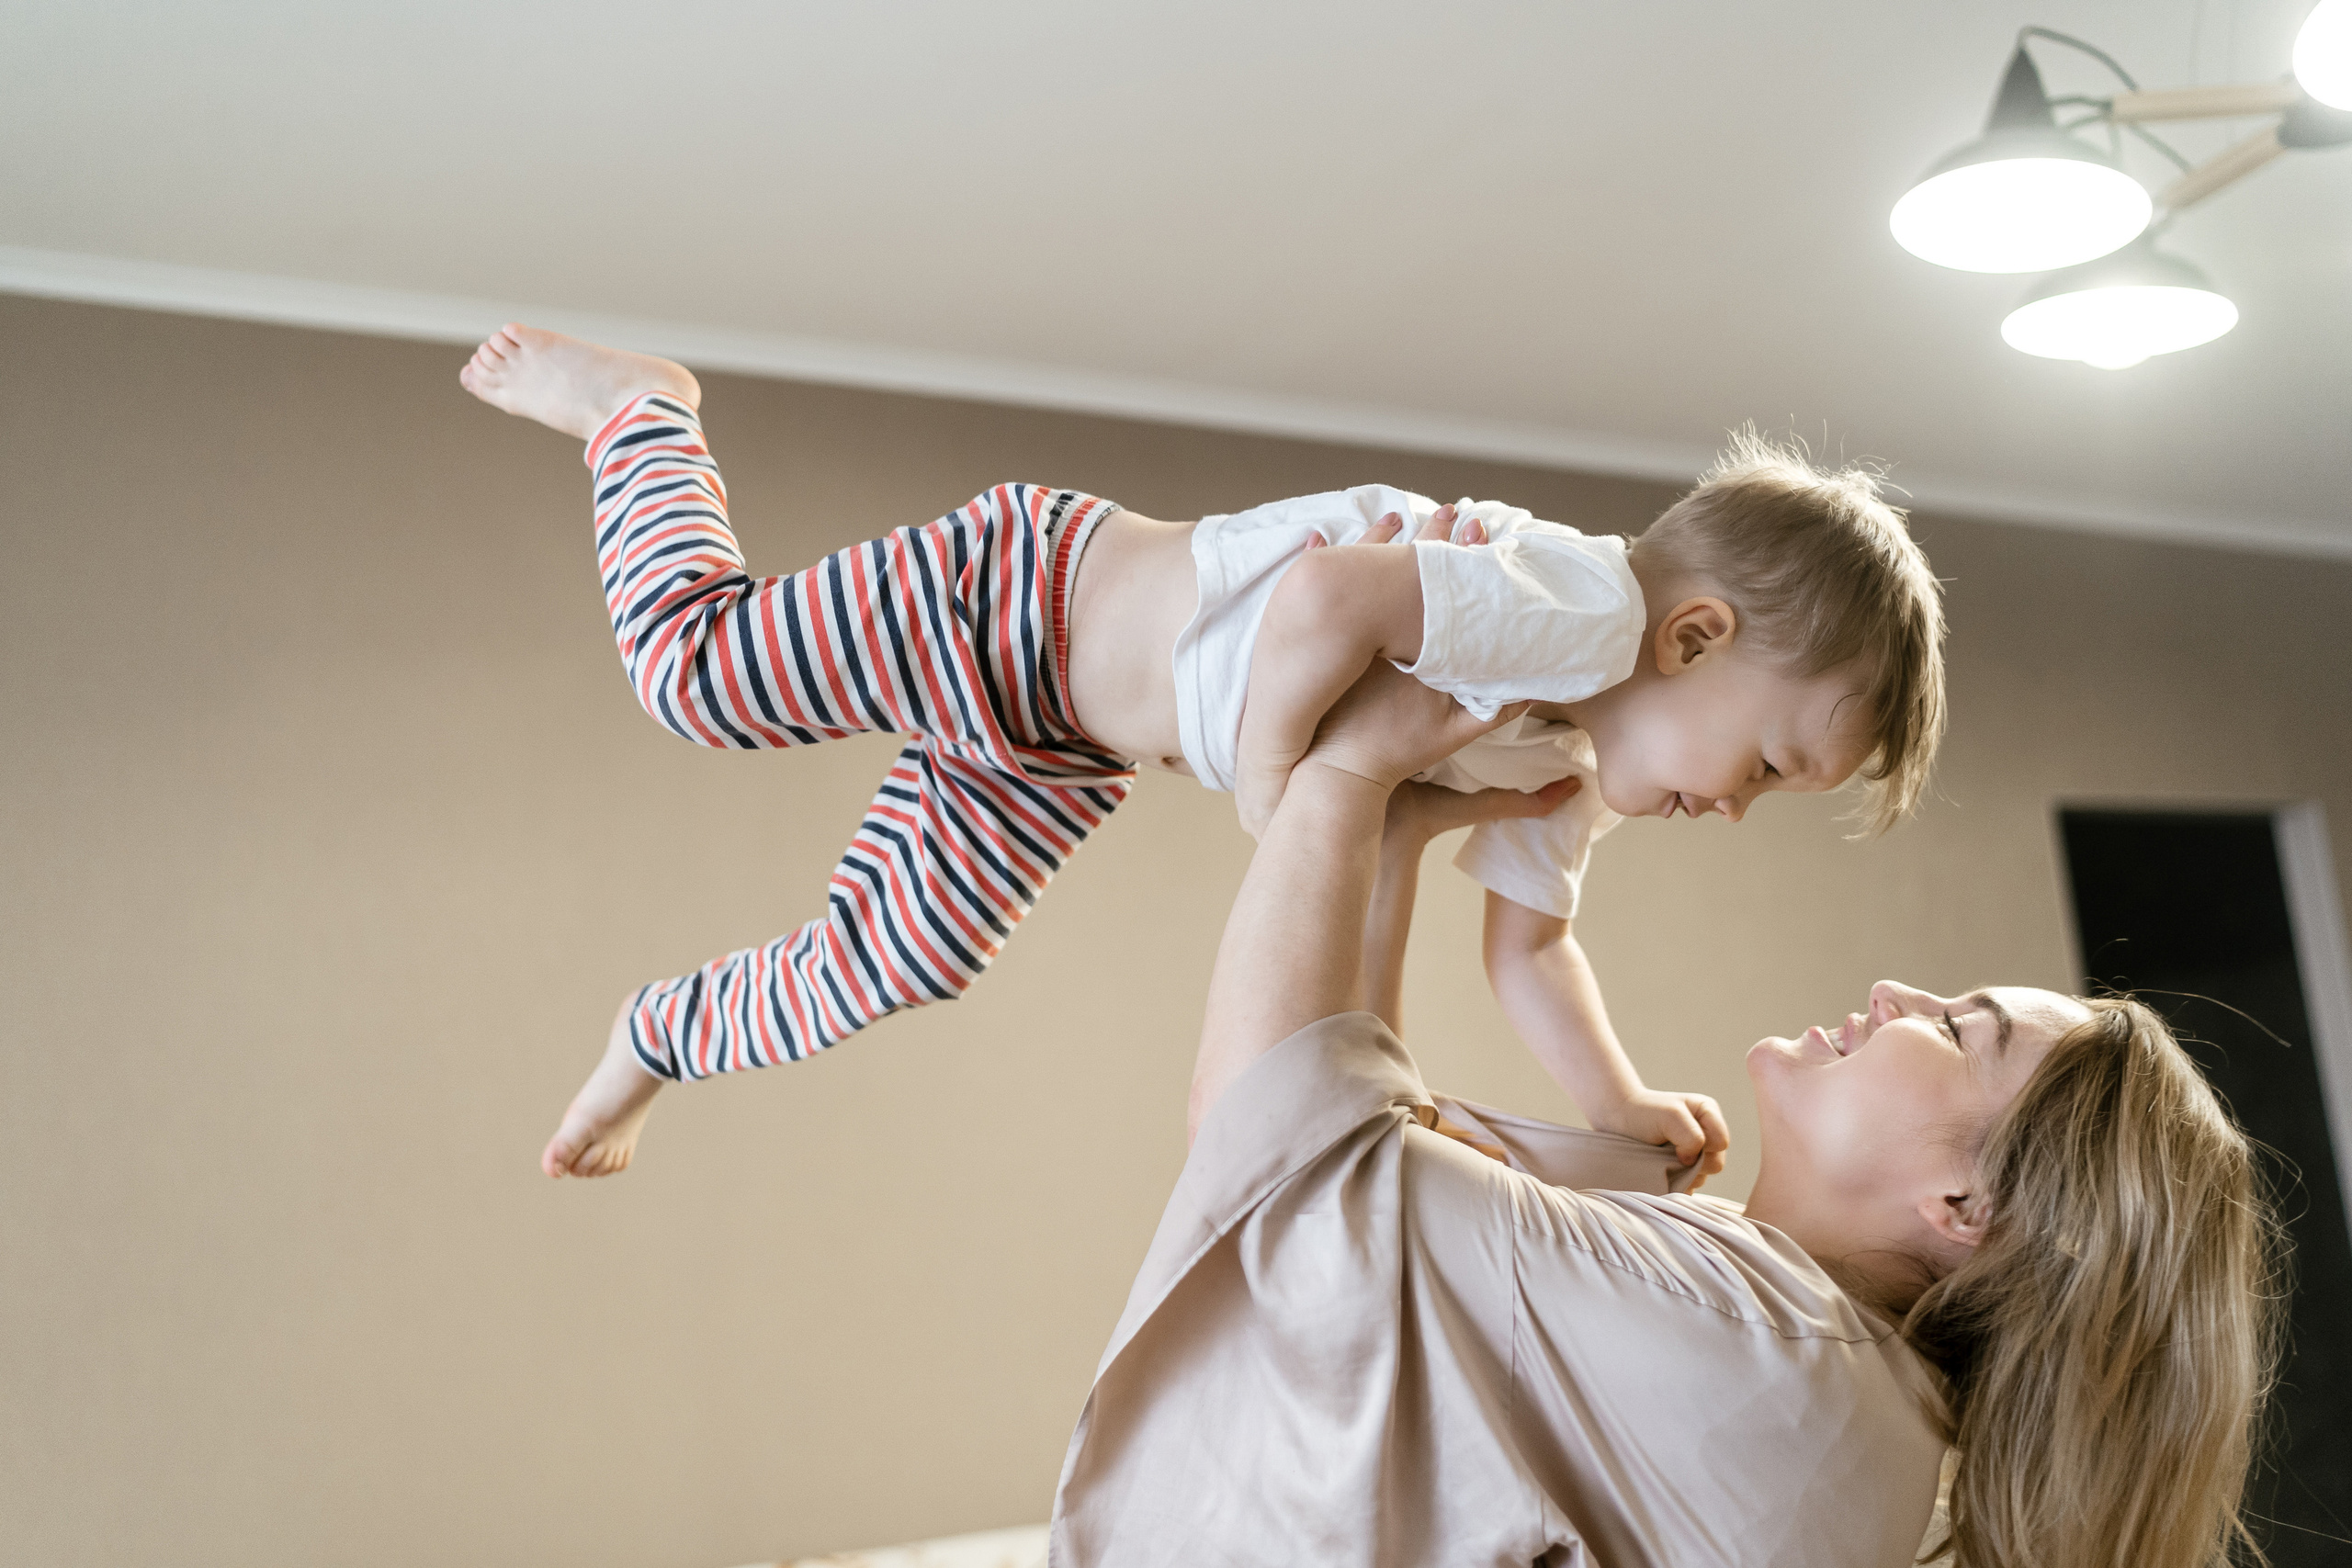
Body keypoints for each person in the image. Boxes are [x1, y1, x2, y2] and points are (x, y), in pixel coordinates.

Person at [458, 325, 1943, 1182]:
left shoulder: (1562, 762)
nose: (1734, 812)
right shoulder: (1575, 610)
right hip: (1022, 593)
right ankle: (641, 419)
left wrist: (1600, 1100)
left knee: (903, 958)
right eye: (1764, 765)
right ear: (1692, 639)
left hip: (1050, 737)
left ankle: (662, 1032)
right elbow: (1328, 595)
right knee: (695, 677)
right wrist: (1287, 789)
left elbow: (1520, 949)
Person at [1049, 660, 2279, 1568]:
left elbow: (1282, 1141)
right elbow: (1370, 1247)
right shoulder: (1828, 1377)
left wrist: (1347, 772)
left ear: (1965, 1206)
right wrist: (1390, 843)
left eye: (1958, 1028)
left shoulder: (1761, 1342)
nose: (1900, 992)